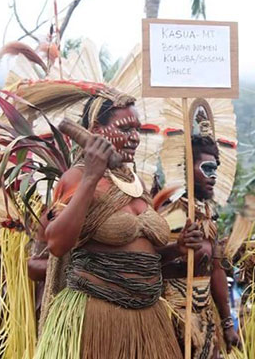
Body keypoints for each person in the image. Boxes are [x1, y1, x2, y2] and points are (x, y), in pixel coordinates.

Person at [20, 81, 189, 359]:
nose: (135, 137)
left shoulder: (137, 185)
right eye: (125, 129)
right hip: (97, 318)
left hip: (148, 322)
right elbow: (57, 245)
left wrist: (179, 249)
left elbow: (143, 255)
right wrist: (90, 177)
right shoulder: (77, 178)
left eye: (138, 129)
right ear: (96, 132)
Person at [156, 125, 240, 359]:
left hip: (205, 321)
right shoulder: (166, 213)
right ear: (185, 169)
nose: (213, 176)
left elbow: (216, 271)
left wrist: (227, 323)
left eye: (216, 169)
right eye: (207, 168)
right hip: (172, 320)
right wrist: (176, 249)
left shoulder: (208, 214)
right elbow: (144, 260)